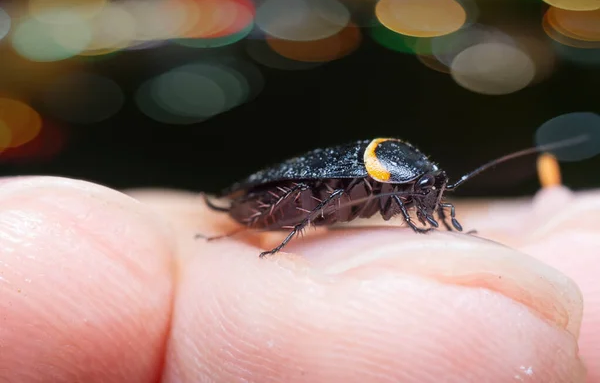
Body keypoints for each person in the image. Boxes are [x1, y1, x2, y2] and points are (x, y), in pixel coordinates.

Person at [0, 176, 597, 382]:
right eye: (425, 199)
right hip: (266, 202)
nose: (430, 207)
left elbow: (417, 207)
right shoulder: (365, 180)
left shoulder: (398, 183)